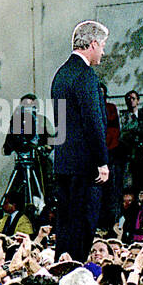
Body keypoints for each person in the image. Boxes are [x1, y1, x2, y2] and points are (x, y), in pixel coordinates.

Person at [50, 20, 110, 262]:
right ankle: (75, 279)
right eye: (103, 45)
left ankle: (62, 272)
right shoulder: (86, 76)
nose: (103, 51)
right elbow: (93, 124)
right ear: (93, 43)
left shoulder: (61, 75)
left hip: (64, 164)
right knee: (83, 228)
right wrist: (102, 161)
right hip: (85, 167)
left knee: (65, 228)